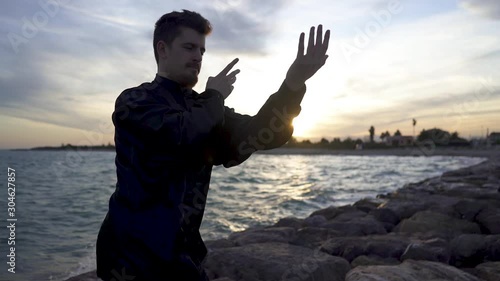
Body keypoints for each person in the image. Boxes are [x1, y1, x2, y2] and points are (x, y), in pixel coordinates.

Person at [96, 9, 330, 281]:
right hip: (130, 257)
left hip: (180, 253)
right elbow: (183, 135)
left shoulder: (205, 107)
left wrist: (293, 84)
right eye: (188, 47)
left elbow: (262, 133)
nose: (197, 57)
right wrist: (214, 95)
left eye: (202, 51)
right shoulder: (135, 102)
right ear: (163, 49)